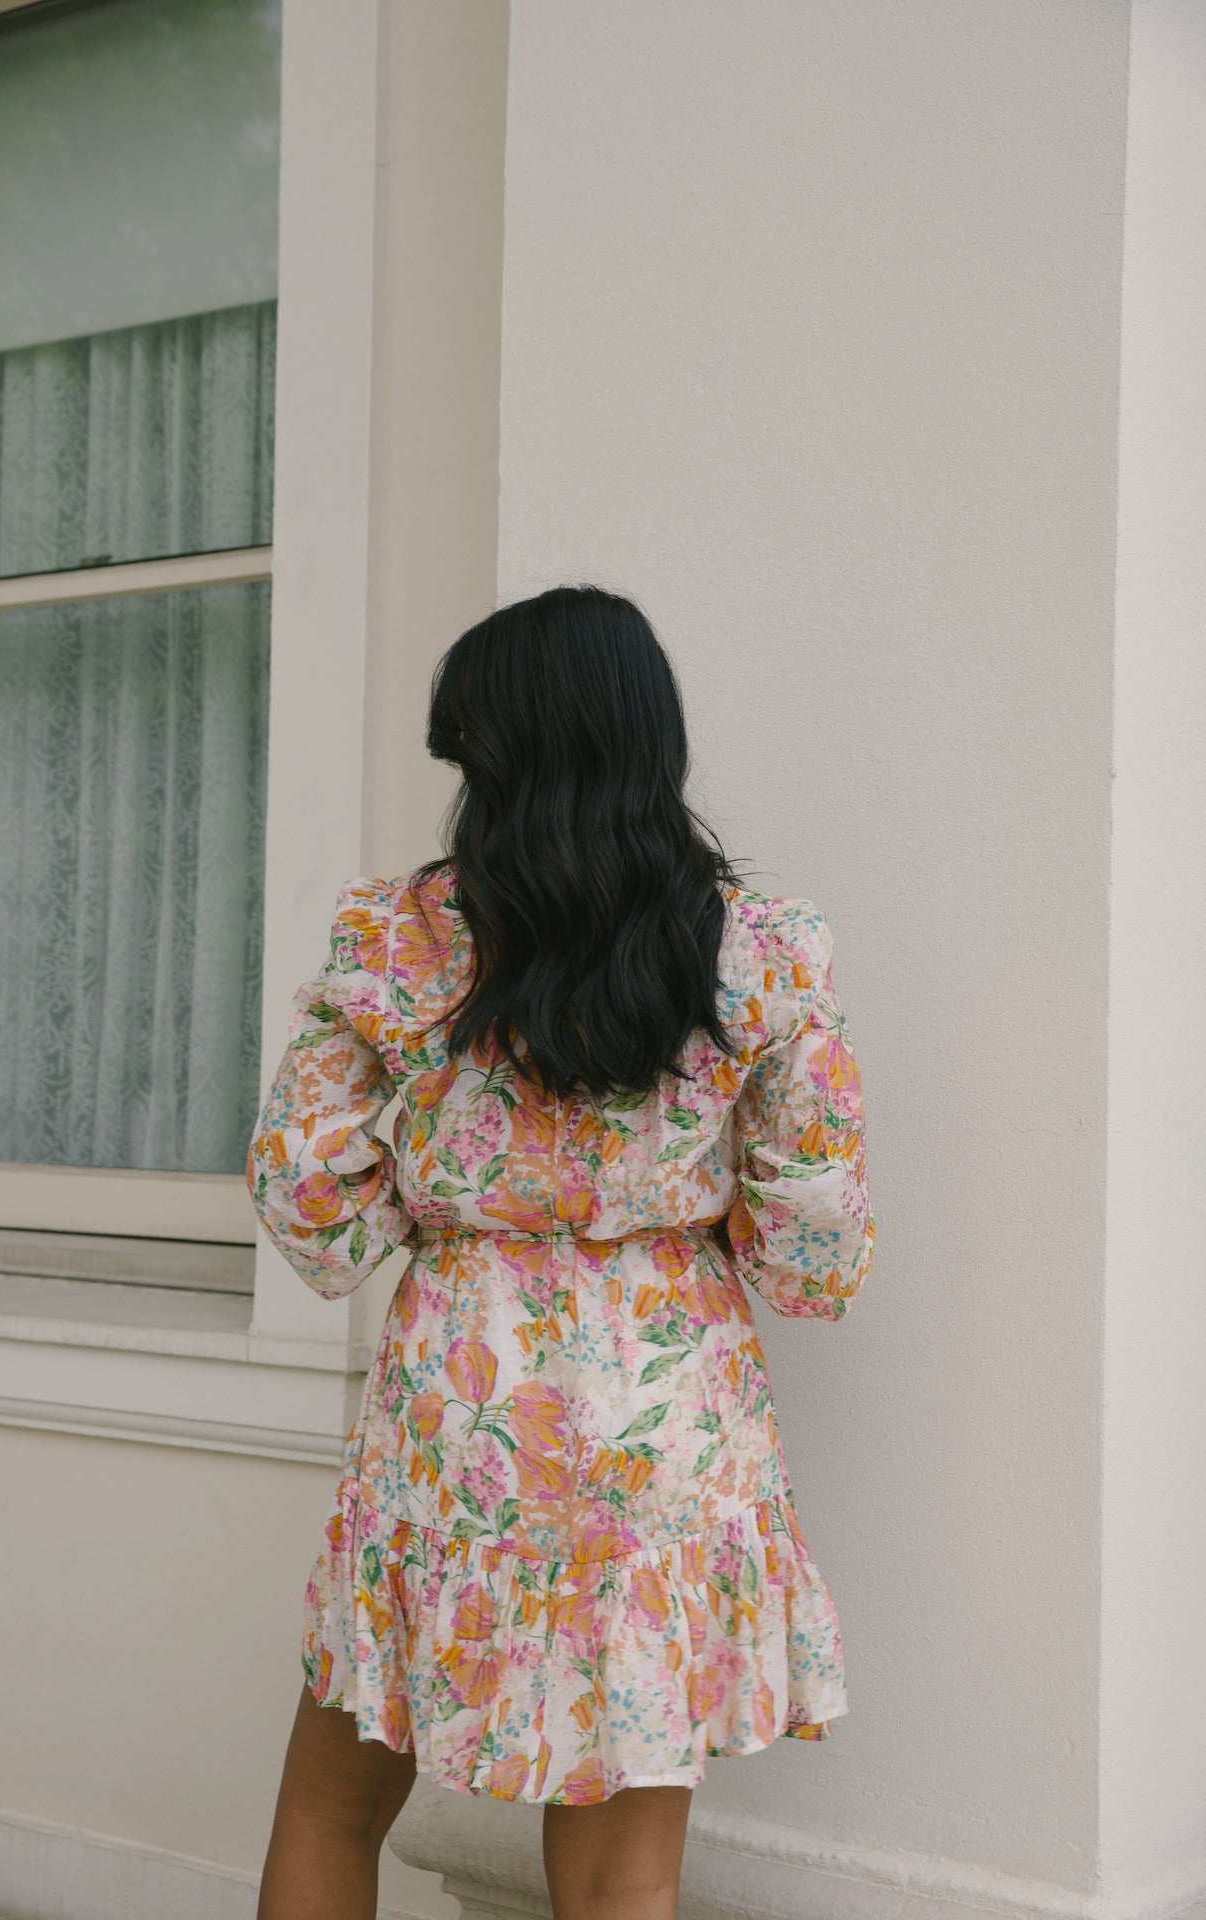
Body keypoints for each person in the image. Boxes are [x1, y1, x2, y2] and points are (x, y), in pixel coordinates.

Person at [247, 583, 876, 1920]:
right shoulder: (762, 953)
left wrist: (437, 1211)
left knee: (328, 1804)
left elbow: (308, 1196)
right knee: (624, 1879)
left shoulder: (393, 939)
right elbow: (816, 1247)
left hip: (459, 1415)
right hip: (670, 1423)